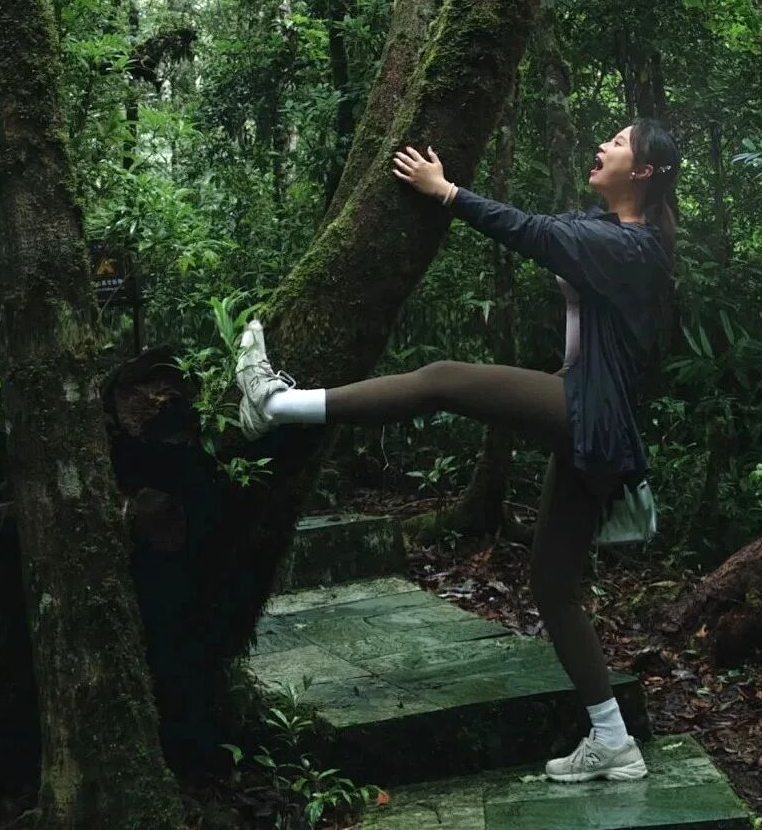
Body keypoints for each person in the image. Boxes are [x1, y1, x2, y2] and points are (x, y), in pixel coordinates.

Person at [235, 117, 681, 784]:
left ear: (642, 171)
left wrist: (445, 191)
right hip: (592, 422)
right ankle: (614, 741)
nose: (603, 145)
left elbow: (534, 232)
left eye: (618, 143)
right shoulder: (612, 231)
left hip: (589, 415)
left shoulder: (632, 247)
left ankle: (276, 405)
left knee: (442, 379)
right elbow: (555, 234)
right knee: (553, 586)